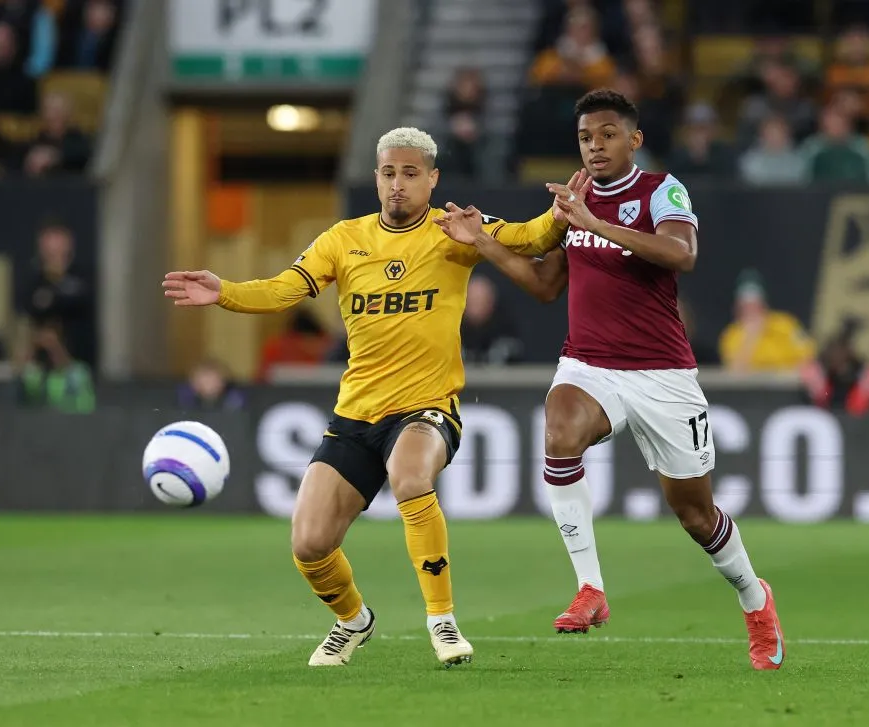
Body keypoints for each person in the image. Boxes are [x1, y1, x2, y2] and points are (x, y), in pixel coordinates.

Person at [162, 127, 575, 668]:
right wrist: (226, 293)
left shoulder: (454, 230)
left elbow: (532, 237)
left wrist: (563, 214)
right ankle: (353, 620)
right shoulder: (343, 239)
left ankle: (443, 623)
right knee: (309, 543)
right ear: (377, 179)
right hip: (356, 415)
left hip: (427, 409)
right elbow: (286, 288)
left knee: (410, 476)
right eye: (387, 173)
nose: (397, 185)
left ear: (432, 179)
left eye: (409, 174)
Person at [435, 90, 786, 670]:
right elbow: (547, 285)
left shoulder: (661, 191)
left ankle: (754, 597)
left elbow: (682, 254)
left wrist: (596, 222)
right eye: (585, 138)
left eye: (606, 135)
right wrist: (484, 243)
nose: (594, 147)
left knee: (697, 515)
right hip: (589, 363)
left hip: (663, 374)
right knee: (558, 434)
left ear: (634, 139)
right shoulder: (574, 200)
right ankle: (591, 588)